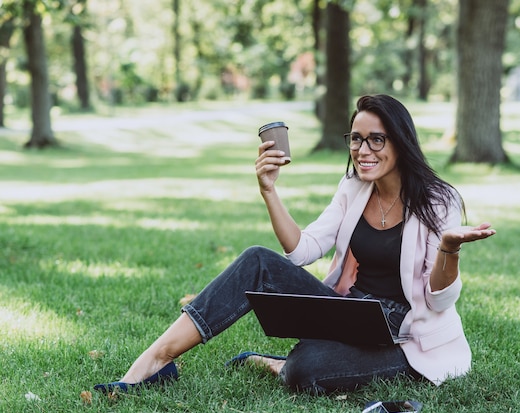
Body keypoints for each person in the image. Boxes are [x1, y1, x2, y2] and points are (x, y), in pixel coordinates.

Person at [94, 94, 496, 395]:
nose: (363, 150)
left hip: (405, 335)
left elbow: (439, 301)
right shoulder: (354, 187)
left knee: (305, 370)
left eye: (377, 140)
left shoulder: (438, 200)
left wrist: (449, 250)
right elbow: (303, 250)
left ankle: (275, 363)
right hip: (350, 311)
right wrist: (269, 191)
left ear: (400, 142)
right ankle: (153, 363)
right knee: (257, 260)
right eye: (356, 139)